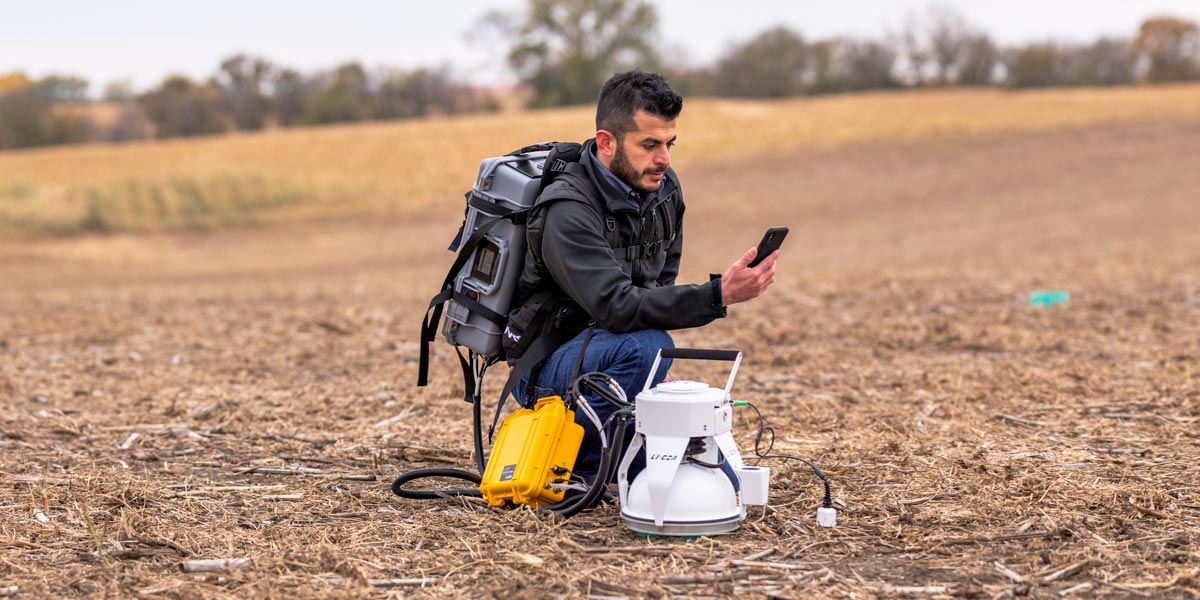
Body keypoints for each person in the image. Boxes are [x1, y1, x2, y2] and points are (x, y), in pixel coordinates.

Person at [508, 70, 778, 479]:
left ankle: (628, 451)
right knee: (646, 347)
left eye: (670, 144)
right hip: (545, 367)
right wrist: (717, 294)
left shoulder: (664, 191)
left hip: (611, 351)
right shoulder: (567, 210)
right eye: (649, 145)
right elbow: (618, 308)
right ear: (606, 142)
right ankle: (579, 468)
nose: (664, 159)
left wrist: (651, 374)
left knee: (719, 477)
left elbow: (657, 289)